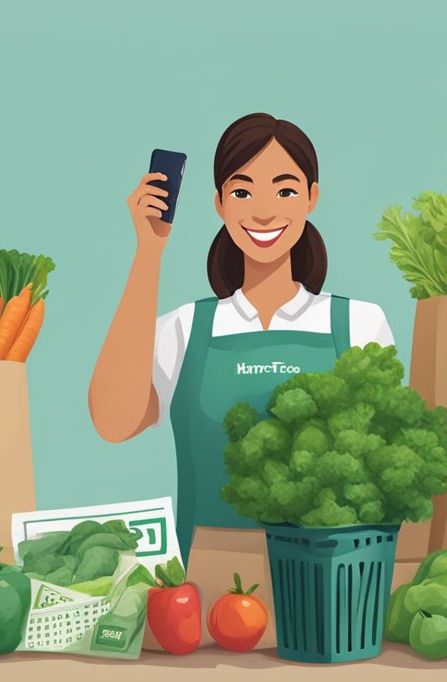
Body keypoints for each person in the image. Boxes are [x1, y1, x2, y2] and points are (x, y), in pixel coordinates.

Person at [89, 113, 394, 561]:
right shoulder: (185, 327)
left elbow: (384, 471)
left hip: (328, 585)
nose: (264, 210)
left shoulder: (361, 324)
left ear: (312, 197)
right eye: (242, 191)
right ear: (220, 204)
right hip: (206, 592)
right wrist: (149, 251)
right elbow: (113, 424)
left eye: (285, 190)